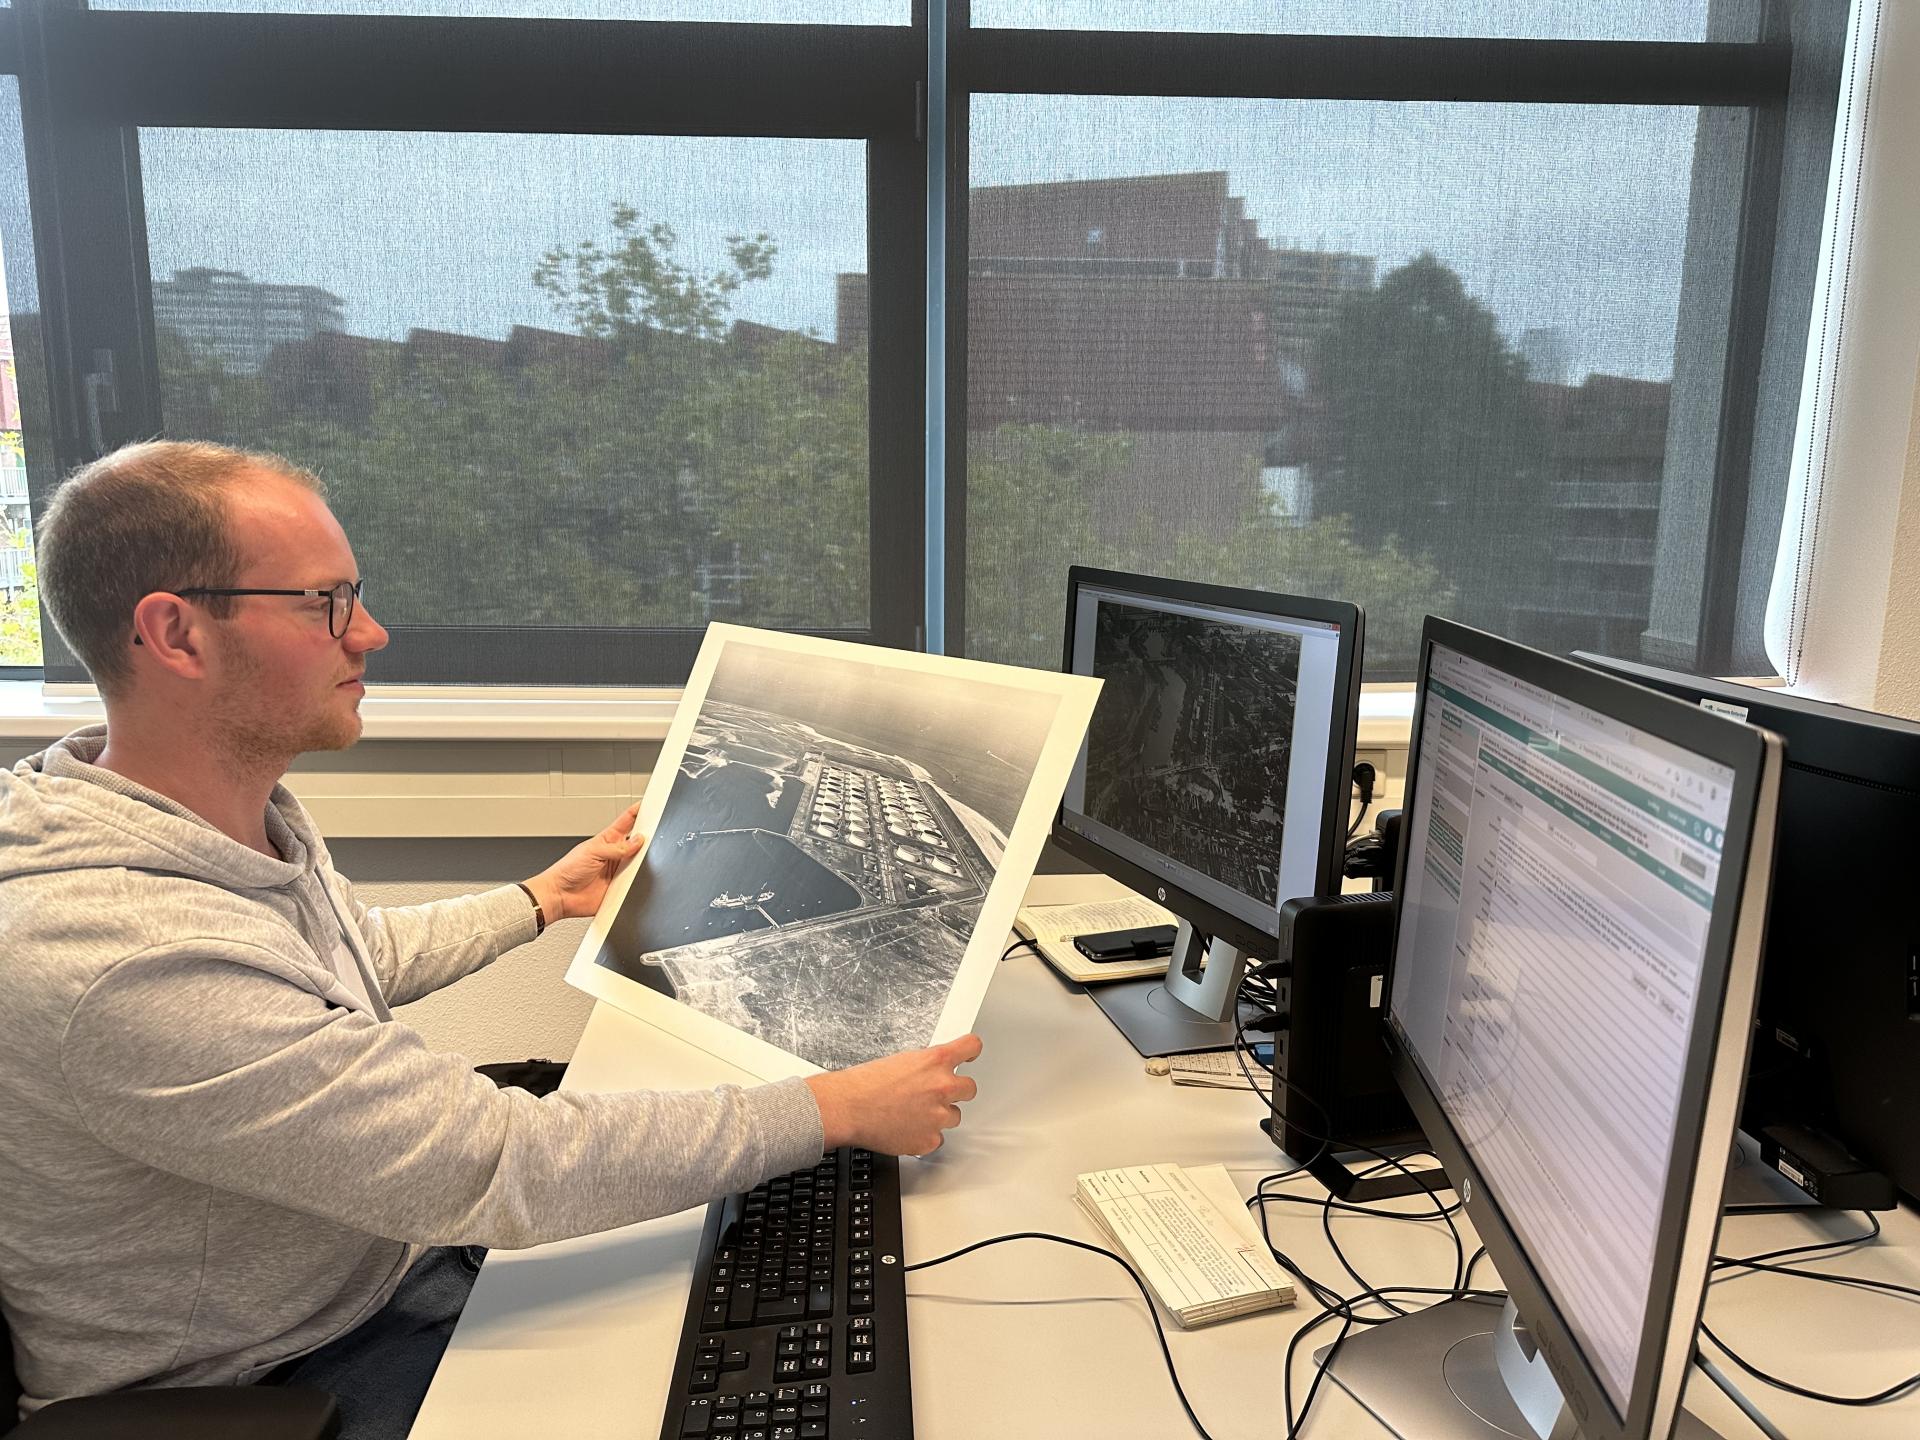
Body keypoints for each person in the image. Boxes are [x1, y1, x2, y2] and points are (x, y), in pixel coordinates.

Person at [0, 439, 981, 1437]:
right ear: (175, 634)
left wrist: (542, 898)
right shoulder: (123, 956)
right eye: (325, 603)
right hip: (279, 1377)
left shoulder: (194, 821)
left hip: (376, 1263)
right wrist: (838, 1106)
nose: (370, 632)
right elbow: (501, 1167)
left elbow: (344, 960)